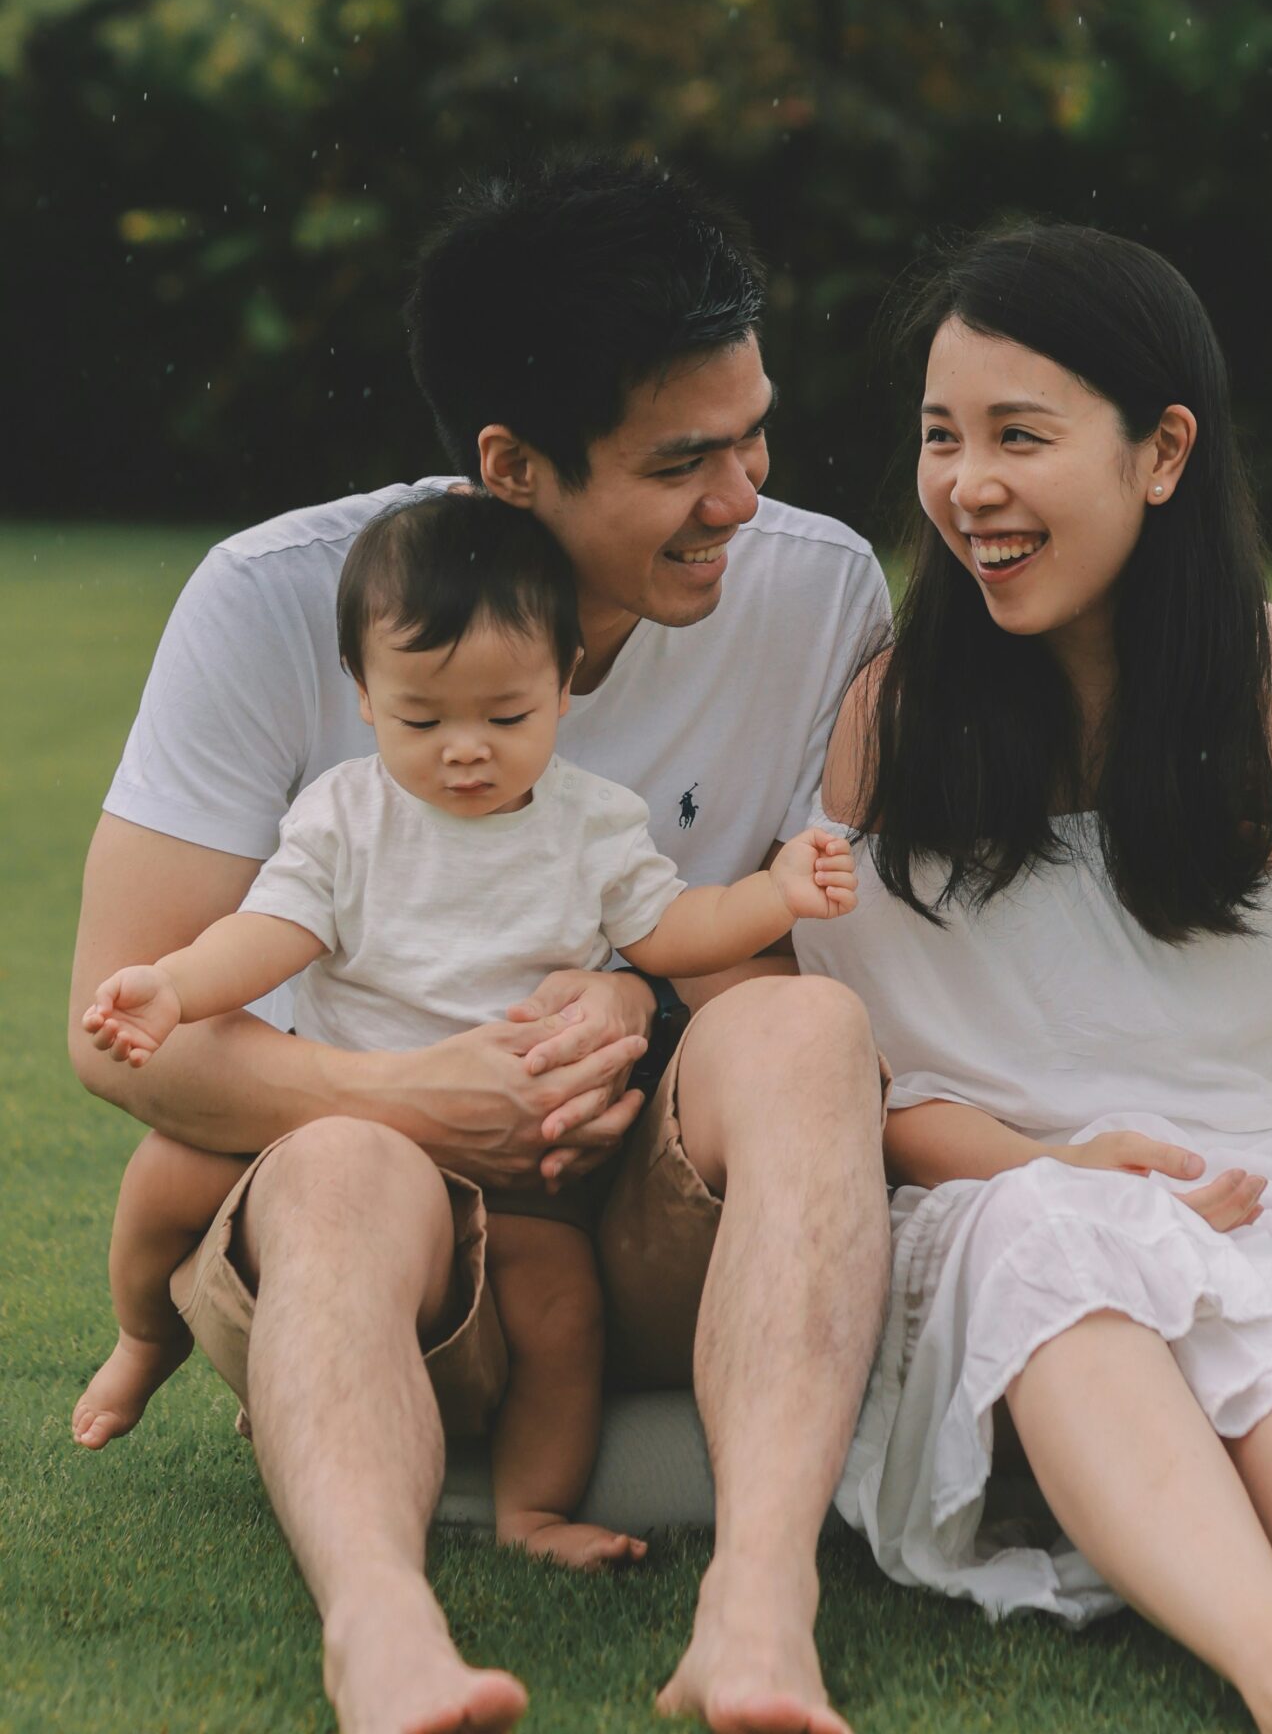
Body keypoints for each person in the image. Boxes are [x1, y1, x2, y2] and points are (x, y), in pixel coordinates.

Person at [67, 157, 892, 1734]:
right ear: (511, 465)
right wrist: (405, 1099)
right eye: (682, 463)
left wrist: (628, 986)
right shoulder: (273, 601)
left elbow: (802, 968)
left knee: (808, 1038)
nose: (742, 499)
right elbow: (131, 1028)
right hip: (376, 1253)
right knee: (339, 1165)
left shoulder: (817, 589)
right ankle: (381, 1638)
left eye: (753, 436)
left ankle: (759, 1606)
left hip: (622, 1228)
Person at [799, 222, 1272, 1734]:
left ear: (1162, 452)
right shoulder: (897, 720)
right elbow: (867, 1089)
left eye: (1018, 436)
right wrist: (1056, 1158)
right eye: (939, 437)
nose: (968, 487)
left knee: (1261, 1276)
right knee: (1056, 1239)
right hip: (993, 1199)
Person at [76, 490, 860, 1576]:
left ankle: (530, 1509)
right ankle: (143, 1341)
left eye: (505, 717)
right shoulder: (345, 821)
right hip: (361, 1144)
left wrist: (774, 895)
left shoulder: (590, 826)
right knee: (163, 1176)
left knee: (562, 1312)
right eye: (422, 719)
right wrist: (172, 984)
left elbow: (676, 929)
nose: (464, 752)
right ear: (361, 695)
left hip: (531, 1176)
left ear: (562, 687)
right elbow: (268, 933)